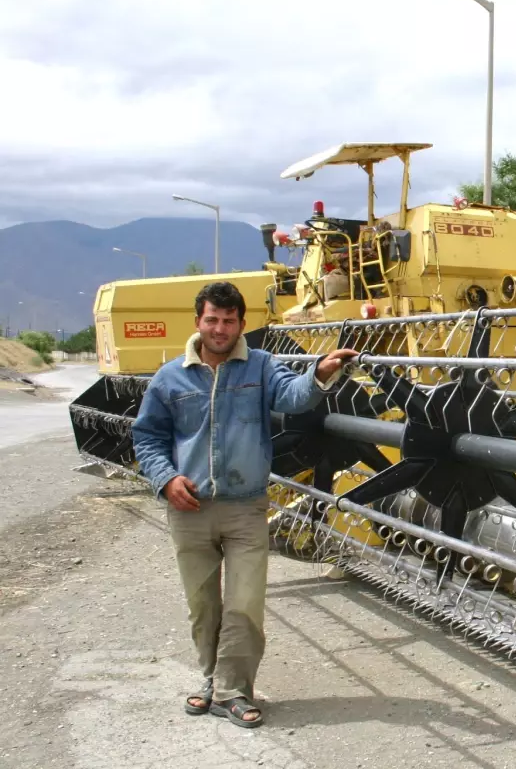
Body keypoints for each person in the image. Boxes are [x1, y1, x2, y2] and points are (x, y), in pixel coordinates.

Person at [131, 281, 357, 728]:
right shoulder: (170, 377)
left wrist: (321, 372)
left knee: (244, 604)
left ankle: (235, 690)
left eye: (228, 321)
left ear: (241, 324)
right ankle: (213, 681)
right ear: (198, 321)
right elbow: (148, 436)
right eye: (212, 320)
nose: (219, 328)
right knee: (204, 607)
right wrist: (165, 477)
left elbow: (293, 397)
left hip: (246, 508)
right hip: (189, 509)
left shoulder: (261, 366)